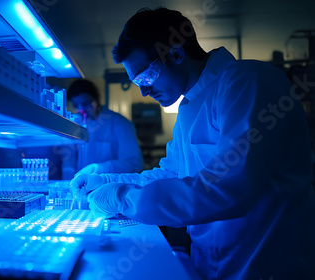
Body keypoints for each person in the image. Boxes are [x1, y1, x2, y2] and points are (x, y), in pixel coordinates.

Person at [70, 7, 315, 280]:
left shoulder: (248, 82)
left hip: (262, 267)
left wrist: (122, 197)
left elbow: (228, 188)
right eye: (136, 82)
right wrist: (106, 180)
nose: (144, 91)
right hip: (210, 264)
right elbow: (173, 173)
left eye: (146, 77)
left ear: (176, 54)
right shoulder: (187, 107)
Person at [60, 79, 143, 179]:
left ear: (97, 99)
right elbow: (69, 157)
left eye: (86, 103)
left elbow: (134, 163)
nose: (82, 111)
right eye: (76, 106)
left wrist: (100, 168)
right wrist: (68, 179)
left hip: (110, 186)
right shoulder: (75, 123)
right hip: (81, 187)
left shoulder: (120, 123)